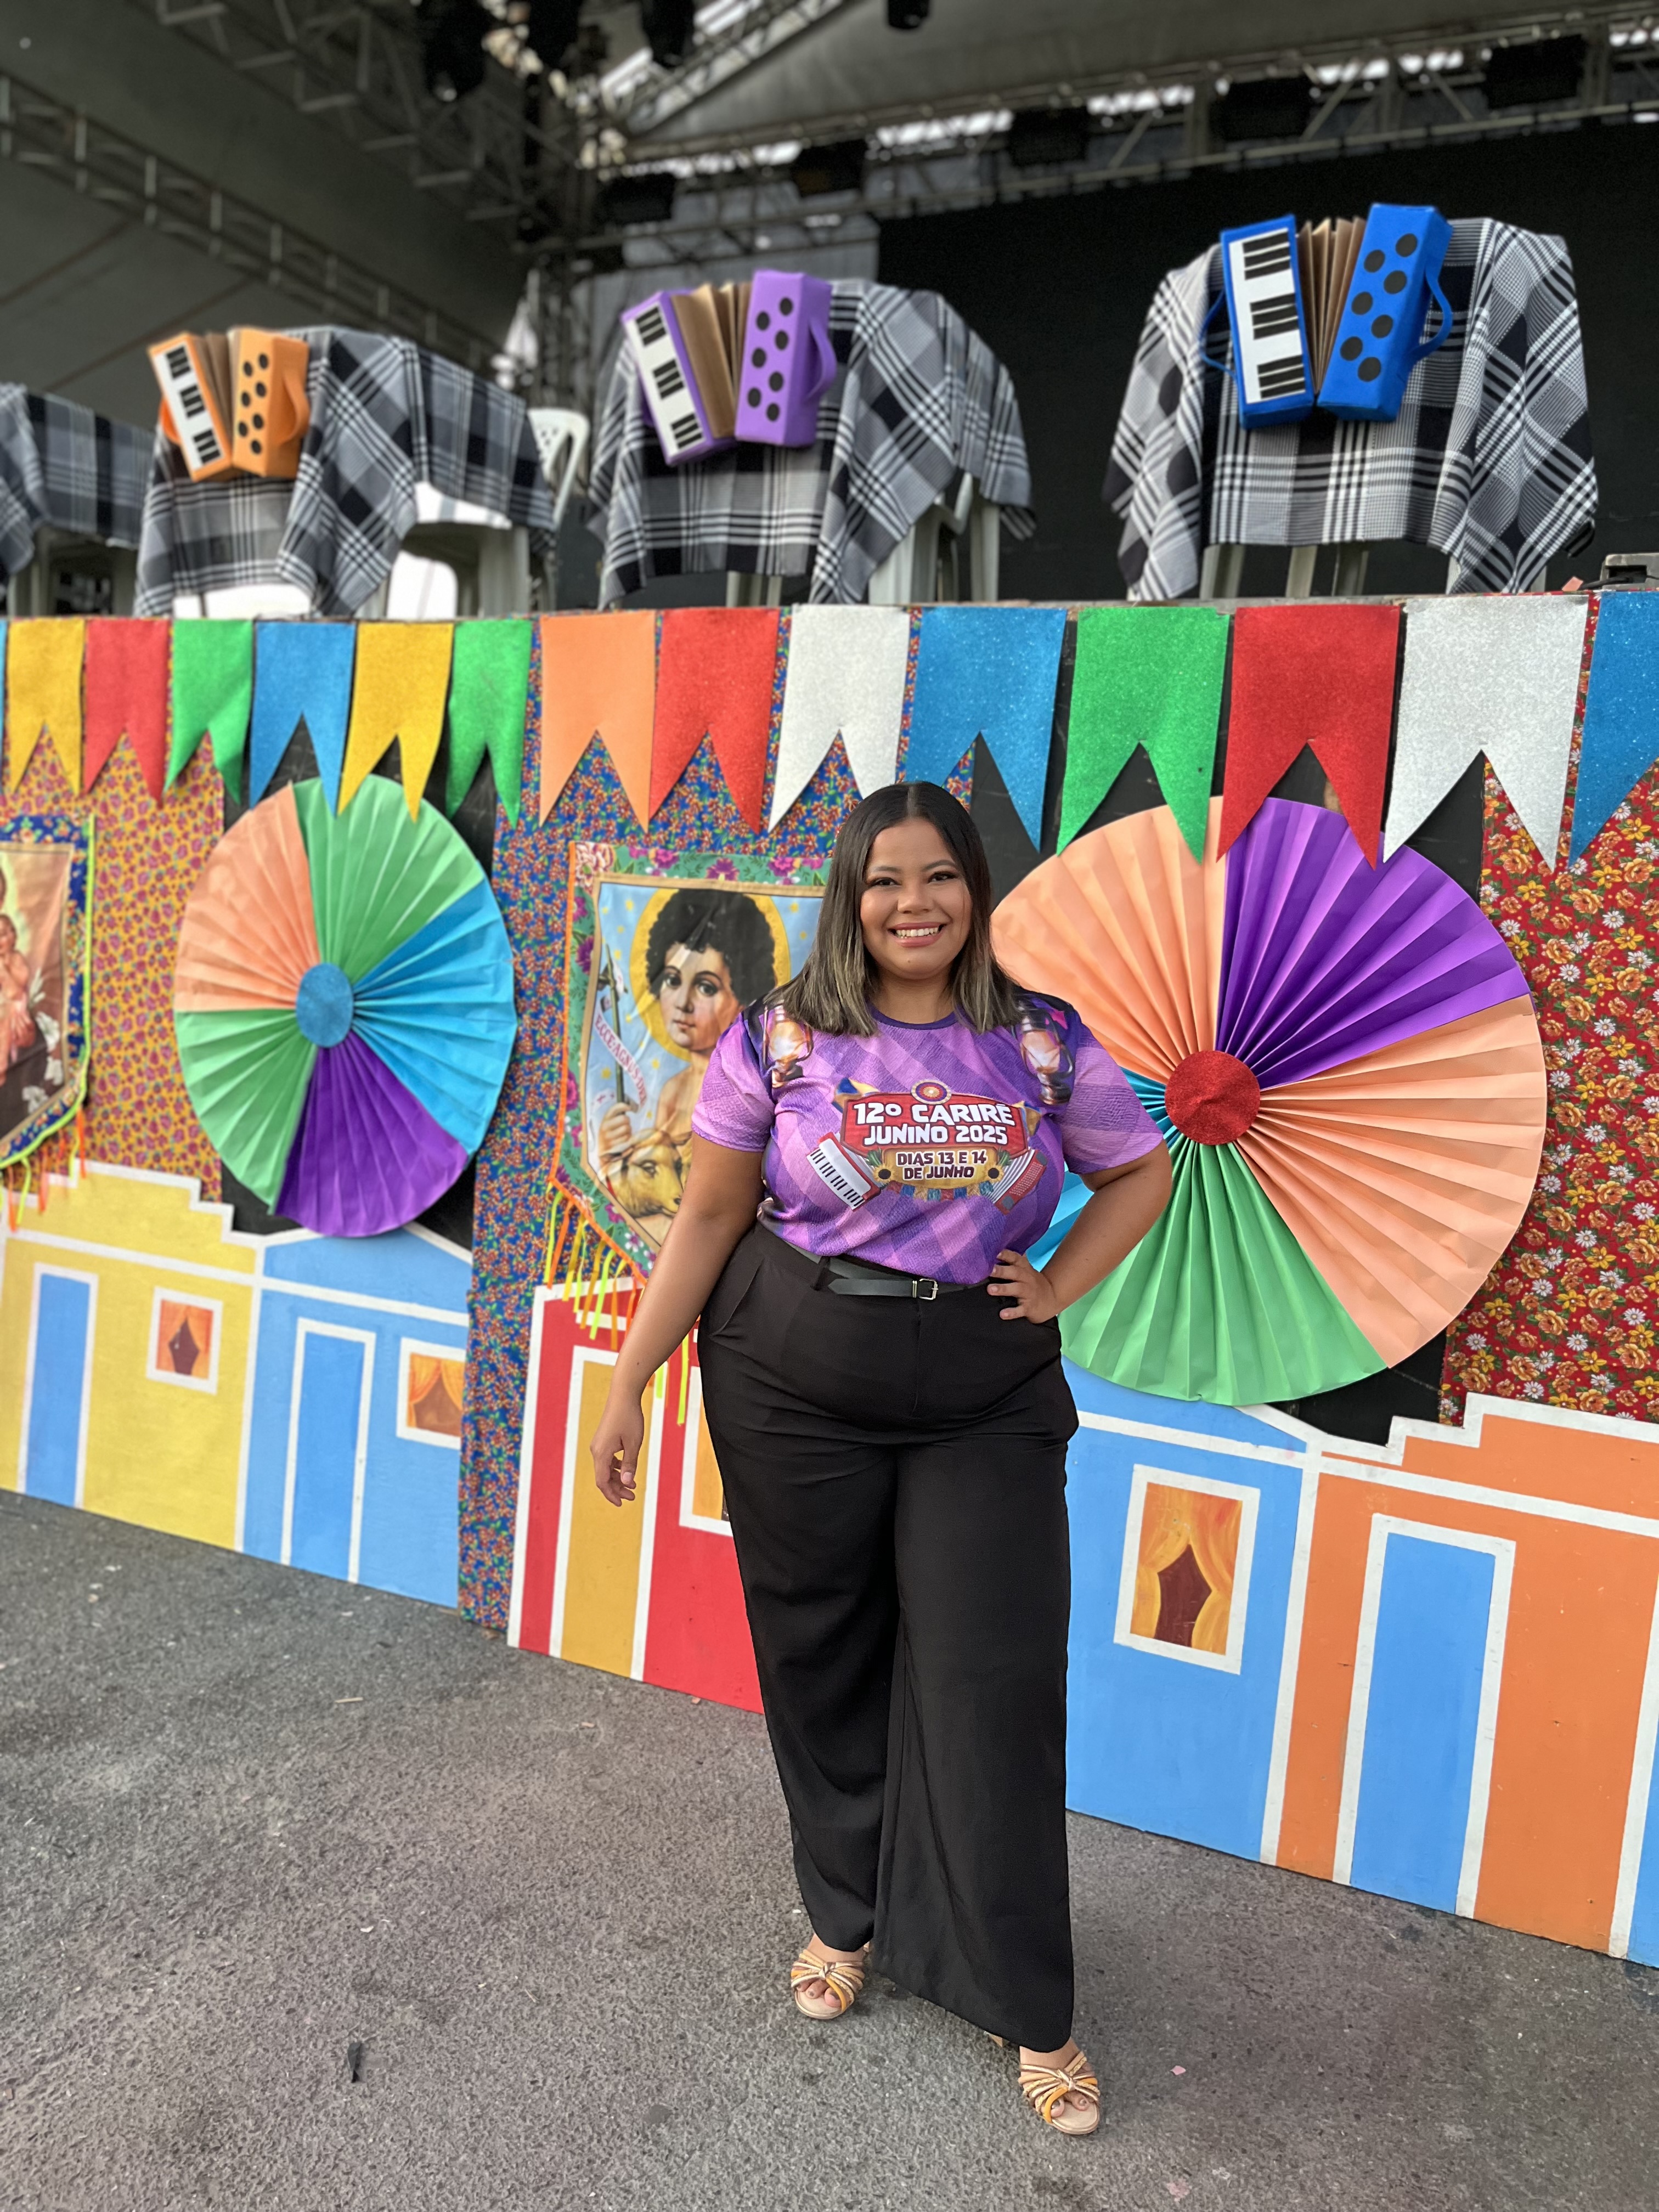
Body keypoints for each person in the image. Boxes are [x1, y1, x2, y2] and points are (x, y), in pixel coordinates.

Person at [589, 782, 1171, 2137]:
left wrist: (1059, 1283)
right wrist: (628, 1379)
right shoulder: (780, 1039)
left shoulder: (1041, 1042)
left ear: (976, 890)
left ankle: (1031, 2003)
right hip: (794, 1373)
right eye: (885, 880)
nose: (915, 904)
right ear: (853, 897)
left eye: (940, 876)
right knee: (821, 1654)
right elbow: (711, 1219)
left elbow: (1140, 1173)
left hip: (980, 1388)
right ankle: (844, 1916)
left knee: (993, 1685)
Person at [595, 887, 778, 1242]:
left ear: (744, 996)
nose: (683, 1002)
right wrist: (616, 1151)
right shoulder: (673, 1088)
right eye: (672, 980)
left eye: (706, 987)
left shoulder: (748, 1087)